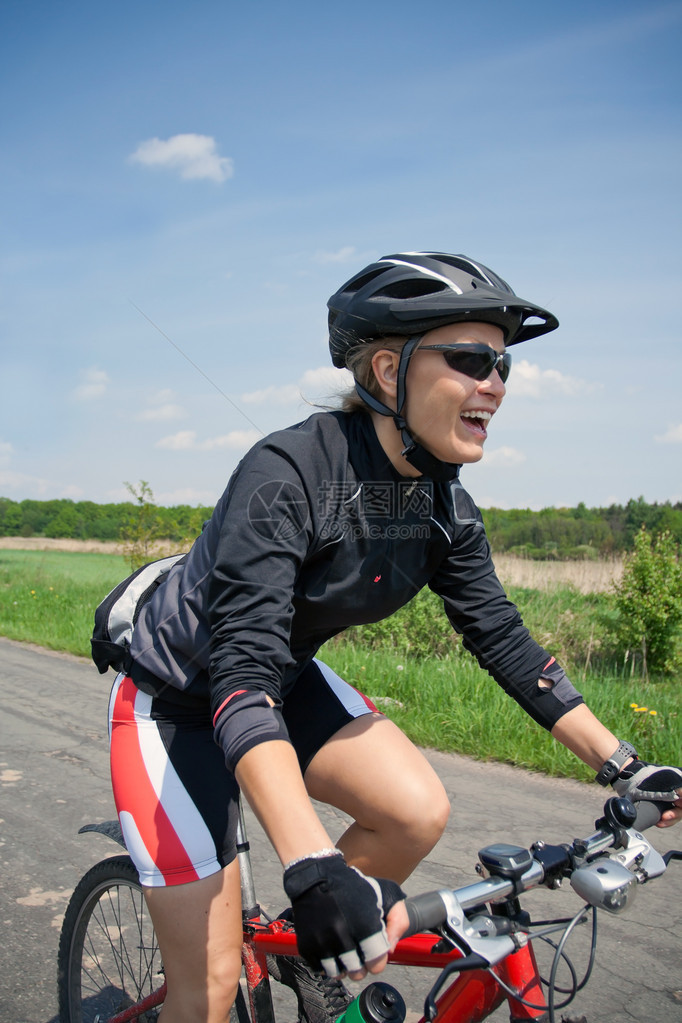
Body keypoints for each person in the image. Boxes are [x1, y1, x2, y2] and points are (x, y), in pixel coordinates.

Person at [106, 252, 682, 1023]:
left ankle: (306, 958)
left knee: (413, 810)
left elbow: (504, 640)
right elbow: (238, 674)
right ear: (387, 368)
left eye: (503, 365)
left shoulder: (443, 507)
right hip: (178, 695)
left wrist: (624, 764)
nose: (497, 384)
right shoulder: (287, 474)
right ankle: (267, 938)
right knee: (207, 990)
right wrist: (312, 864)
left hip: (276, 675)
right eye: (473, 359)